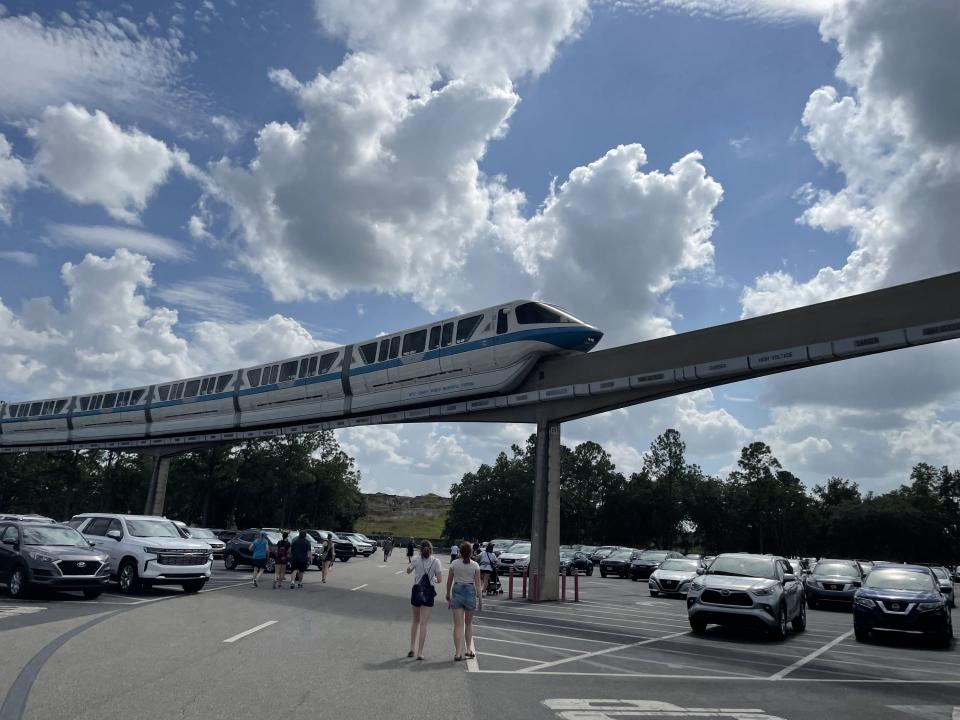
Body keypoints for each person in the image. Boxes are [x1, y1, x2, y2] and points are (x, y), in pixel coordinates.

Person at [406, 540, 442, 661]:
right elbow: (440, 579)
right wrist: (432, 579)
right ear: (431, 549)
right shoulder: (436, 561)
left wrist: (415, 570)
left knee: (415, 620)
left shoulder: (416, 559)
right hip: (429, 592)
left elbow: (408, 570)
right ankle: (420, 652)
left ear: (420, 549)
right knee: (423, 623)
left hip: (417, 590)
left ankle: (412, 647)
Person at [446, 541, 482, 661]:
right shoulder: (475, 565)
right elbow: (478, 585)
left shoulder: (454, 564)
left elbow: (449, 581)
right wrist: (480, 600)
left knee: (458, 625)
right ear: (471, 552)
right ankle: (468, 650)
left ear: (460, 552)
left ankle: (457, 653)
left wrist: (447, 594)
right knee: (468, 624)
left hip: (457, 591)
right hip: (470, 592)